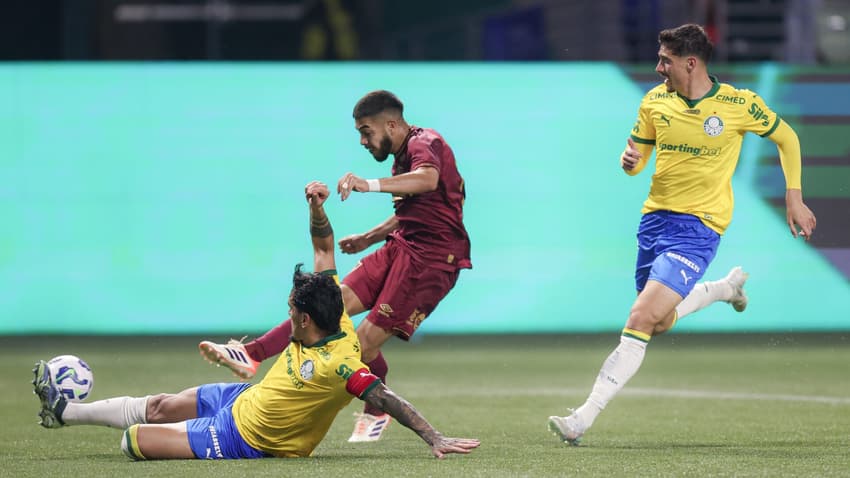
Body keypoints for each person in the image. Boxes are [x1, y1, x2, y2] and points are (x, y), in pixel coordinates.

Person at [32, 181, 480, 461]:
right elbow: (323, 248)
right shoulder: (335, 315)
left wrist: (433, 436)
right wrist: (317, 208)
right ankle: (66, 411)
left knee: (134, 440)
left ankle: (101, 417)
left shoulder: (340, 363)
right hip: (250, 397)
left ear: (304, 319)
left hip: (246, 437)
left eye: (290, 310)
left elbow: (386, 397)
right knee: (162, 406)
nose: (287, 312)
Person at [548, 24, 817, 446]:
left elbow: (788, 138)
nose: (658, 68)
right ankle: (725, 290)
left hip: (699, 228)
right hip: (654, 221)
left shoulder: (737, 103)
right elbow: (638, 159)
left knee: (638, 319)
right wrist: (629, 161)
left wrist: (794, 197)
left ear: (690, 63)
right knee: (658, 322)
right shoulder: (655, 103)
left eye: (665, 60)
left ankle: (581, 418)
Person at [198, 90, 472, 442]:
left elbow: (429, 180)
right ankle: (251, 354)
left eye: (366, 131)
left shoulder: (426, 143)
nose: (362, 140)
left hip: (433, 260)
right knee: (332, 302)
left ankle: (374, 410)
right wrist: (369, 238)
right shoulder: (401, 157)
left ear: (391, 124)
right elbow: (417, 212)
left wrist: (366, 184)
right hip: (404, 246)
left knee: (363, 344)